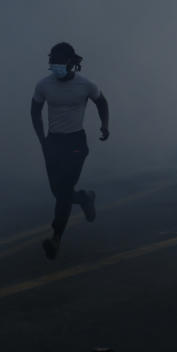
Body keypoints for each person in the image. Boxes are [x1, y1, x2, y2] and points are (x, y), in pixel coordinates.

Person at [31, 42, 109, 260]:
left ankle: (56, 238)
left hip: (75, 142)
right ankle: (84, 198)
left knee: (64, 191)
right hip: (53, 142)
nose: (56, 66)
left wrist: (105, 124)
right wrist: (42, 140)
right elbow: (35, 111)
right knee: (58, 192)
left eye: (60, 62)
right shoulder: (43, 85)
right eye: (52, 63)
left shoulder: (86, 85)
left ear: (71, 63)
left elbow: (102, 102)